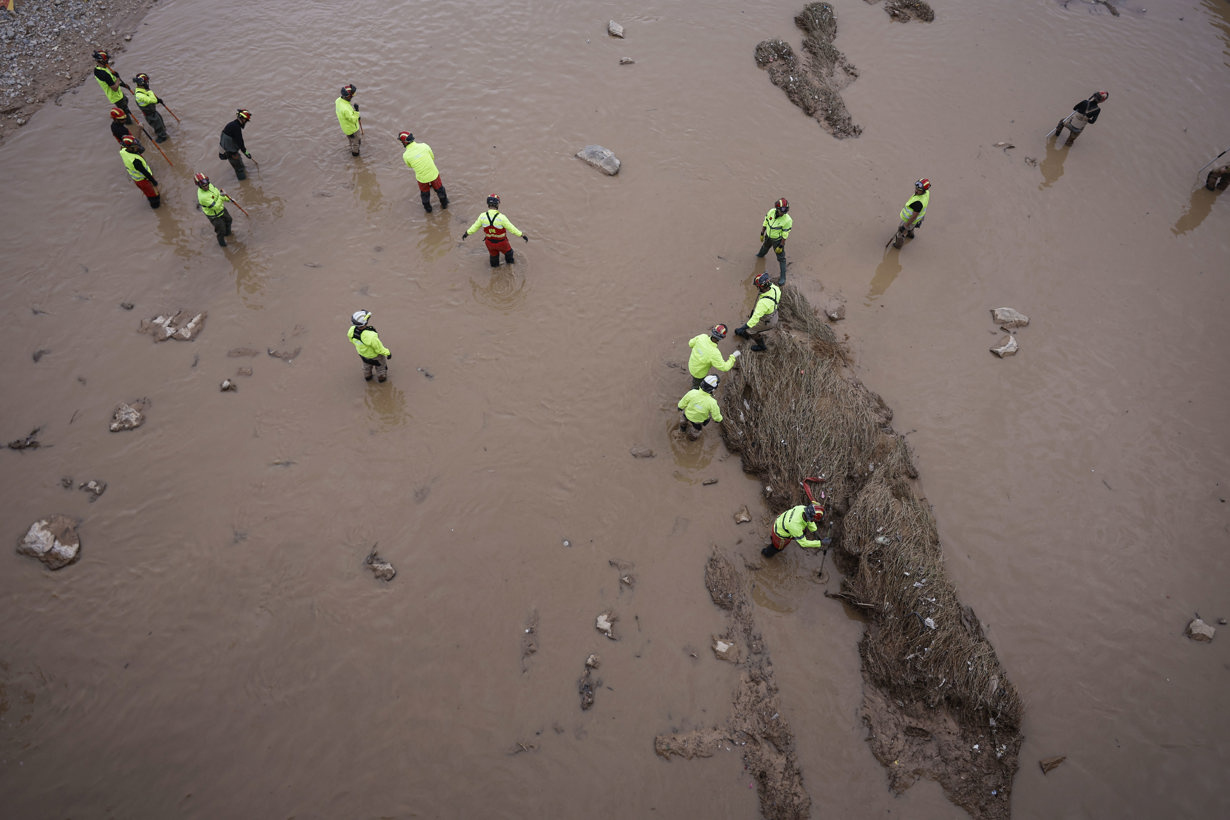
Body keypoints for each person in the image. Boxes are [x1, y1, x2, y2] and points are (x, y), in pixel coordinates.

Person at [461, 194, 528, 267]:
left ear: (488, 204)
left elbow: (474, 228)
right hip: (502, 243)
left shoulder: (482, 216)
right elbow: (512, 229)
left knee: (493, 257)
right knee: (509, 253)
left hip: (489, 243)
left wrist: (466, 233)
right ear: (497, 204)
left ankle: (494, 269)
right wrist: (522, 235)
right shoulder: (502, 217)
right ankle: (509, 267)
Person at [399, 131, 448, 212]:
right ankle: (445, 205)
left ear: (404, 142)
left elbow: (410, 166)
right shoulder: (424, 146)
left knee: (425, 194)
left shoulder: (406, 155)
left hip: (422, 178)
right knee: (440, 190)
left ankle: (428, 210)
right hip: (433, 174)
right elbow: (432, 157)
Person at [733, 272, 781, 352]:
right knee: (751, 325)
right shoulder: (775, 288)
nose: (756, 287)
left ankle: (761, 346)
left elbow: (754, 319)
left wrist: (742, 328)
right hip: (774, 314)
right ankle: (747, 335)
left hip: (768, 321)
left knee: (750, 330)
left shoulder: (763, 303)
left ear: (761, 287)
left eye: (757, 286)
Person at [761, 503, 828, 558]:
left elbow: (809, 521)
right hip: (780, 534)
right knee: (777, 548)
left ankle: (772, 539)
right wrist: (820, 543)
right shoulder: (795, 526)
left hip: (780, 522)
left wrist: (815, 532)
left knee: (800, 532)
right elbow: (803, 543)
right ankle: (766, 554)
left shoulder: (802, 508)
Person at [687, 324, 740, 389]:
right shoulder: (715, 353)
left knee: (695, 380)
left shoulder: (702, 337)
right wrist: (733, 357)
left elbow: (690, 343)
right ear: (723, 337)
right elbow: (725, 367)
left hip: (691, 365)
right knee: (696, 387)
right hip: (699, 374)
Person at [348, 310, 392, 383]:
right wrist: (387, 353)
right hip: (375, 356)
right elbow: (379, 349)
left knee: (366, 367)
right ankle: (382, 379)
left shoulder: (351, 330)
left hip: (362, 354)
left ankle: (367, 377)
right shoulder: (371, 336)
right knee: (381, 368)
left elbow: (352, 341)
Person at [756, 198, 792, 285]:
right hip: (768, 236)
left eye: (785, 211)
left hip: (778, 240)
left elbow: (785, 234)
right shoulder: (771, 212)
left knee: (781, 258)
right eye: (781, 211)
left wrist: (781, 246)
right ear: (777, 209)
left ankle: (783, 277)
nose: (783, 213)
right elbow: (766, 222)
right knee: (764, 248)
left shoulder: (787, 220)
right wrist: (762, 233)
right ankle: (759, 256)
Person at [677, 374, 723, 440]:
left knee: (683, 421)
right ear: (713, 390)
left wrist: (680, 407)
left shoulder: (692, 392)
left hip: (686, 414)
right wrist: (718, 420)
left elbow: (683, 402)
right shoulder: (712, 402)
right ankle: (692, 439)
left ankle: (682, 430)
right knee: (696, 431)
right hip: (698, 421)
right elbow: (716, 415)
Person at [119, 135, 159, 209]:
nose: (138, 147)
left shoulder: (123, 151)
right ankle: (155, 206)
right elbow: (145, 173)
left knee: (147, 193)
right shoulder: (136, 161)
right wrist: (154, 182)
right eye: (135, 146)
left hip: (137, 180)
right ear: (129, 148)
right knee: (153, 195)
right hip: (144, 180)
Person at [194, 173, 233, 247]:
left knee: (229, 220)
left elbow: (218, 193)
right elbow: (215, 206)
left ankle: (228, 234)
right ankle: (223, 245)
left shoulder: (210, 185)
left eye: (207, 184)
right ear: (199, 186)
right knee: (221, 231)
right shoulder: (203, 197)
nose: (206, 187)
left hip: (221, 209)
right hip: (214, 216)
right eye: (203, 186)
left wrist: (229, 199)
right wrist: (222, 196)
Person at [92, 50, 131, 120]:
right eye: (106, 60)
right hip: (116, 97)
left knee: (126, 100)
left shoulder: (97, 69)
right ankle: (127, 122)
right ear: (102, 61)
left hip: (118, 95)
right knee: (125, 115)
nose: (108, 61)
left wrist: (123, 85)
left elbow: (112, 81)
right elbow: (115, 88)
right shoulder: (104, 74)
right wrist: (118, 77)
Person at [893, 178, 930, 248]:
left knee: (901, 233)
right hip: (920, 216)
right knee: (912, 226)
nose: (916, 190)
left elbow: (913, 217)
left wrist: (905, 226)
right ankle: (910, 235)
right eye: (916, 188)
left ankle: (897, 245)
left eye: (918, 190)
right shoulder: (927, 193)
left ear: (923, 190)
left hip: (910, 220)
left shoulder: (918, 203)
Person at [131, 73, 168, 142]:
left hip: (153, 111)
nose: (147, 83)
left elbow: (150, 99)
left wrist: (158, 101)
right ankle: (162, 137)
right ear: (142, 83)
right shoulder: (139, 95)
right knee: (158, 127)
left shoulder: (142, 90)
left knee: (161, 124)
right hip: (150, 115)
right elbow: (152, 100)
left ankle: (163, 132)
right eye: (146, 82)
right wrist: (150, 91)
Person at [219, 109, 253, 180]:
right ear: (241, 118)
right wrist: (246, 153)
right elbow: (240, 142)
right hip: (231, 153)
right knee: (239, 169)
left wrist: (222, 154)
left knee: (241, 165)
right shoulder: (236, 128)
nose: (246, 122)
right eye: (245, 120)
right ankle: (245, 185)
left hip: (228, 151)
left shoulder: (231, 125)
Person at [335, 84, 362, 156]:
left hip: (345, 128)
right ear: (348, 96)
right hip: (352, 129)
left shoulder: (338, 101)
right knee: (357, 142)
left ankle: (351, 146)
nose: (353, 96)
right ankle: (355, 155)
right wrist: (356, 111)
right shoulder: (346, 109)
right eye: (352, 95)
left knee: (351, 140)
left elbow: (348, 116)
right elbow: (353, 120)